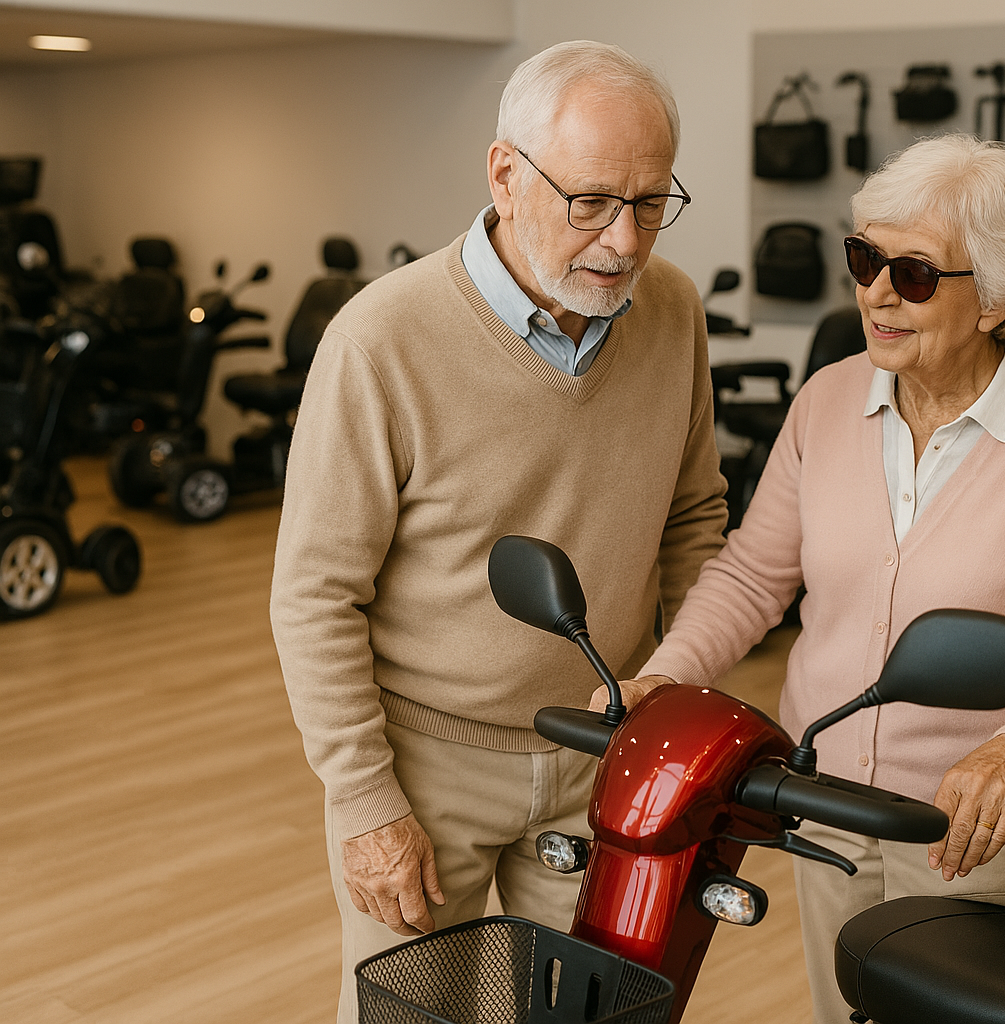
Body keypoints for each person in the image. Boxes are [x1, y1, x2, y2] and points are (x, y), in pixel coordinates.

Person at [601, 134, 1005, 1024]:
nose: (876, 292)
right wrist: (669, 676)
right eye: (865, 258)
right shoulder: (826, 400)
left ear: (999, 298)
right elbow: (752, 574)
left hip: (977, 832)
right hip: (824, 805)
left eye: (916, 273)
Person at [270, 40, 727, 1024]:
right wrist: (365, 803)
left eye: (651, 204)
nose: (625, 241)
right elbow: (314, 596)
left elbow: (695, 519)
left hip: (604, 756)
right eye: (593, 201)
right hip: (427, 764)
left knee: (594, 1017)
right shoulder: (379, 339)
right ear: (506, 175)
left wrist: (682, 694)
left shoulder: (674, 311)